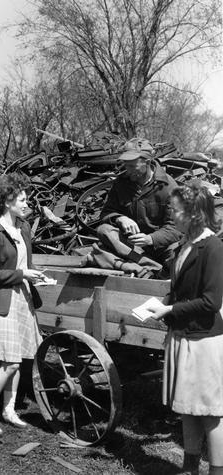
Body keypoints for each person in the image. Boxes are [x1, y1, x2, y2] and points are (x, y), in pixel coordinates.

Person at [146, 183, 223, 474]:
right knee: (188, 410)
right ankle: (189, 468)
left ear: (193, 214)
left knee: (211, 414)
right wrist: (164, 302)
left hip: (203, 341)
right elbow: (182, 290)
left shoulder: (212, 247)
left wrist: (170, 310)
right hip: (183, 335)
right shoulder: (183, 244)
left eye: (176, 210)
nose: (172, 214)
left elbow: (211, 302)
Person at [0, 173, 48, 437]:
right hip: (3, 300)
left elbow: (25, 263)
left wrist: (37, 275)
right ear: (7, 201)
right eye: (22, 199)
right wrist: (22, 275)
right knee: (10, 363)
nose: (27, 203)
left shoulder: (23, 227)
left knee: (20, 360)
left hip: (23, 299)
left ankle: (9, 410)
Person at [96, 149, 182, 275]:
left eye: (132, 166)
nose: (127, 170)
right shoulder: (121, 183)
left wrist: (151, 239)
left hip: (161, 246)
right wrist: (119, 218)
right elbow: (106, 213)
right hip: (132, 246)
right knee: (104, 230)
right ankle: (153, 267)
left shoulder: (169, 187)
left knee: (180, 255)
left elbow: (177, 228)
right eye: (125, 165)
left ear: (147, 162)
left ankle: (144, 266)